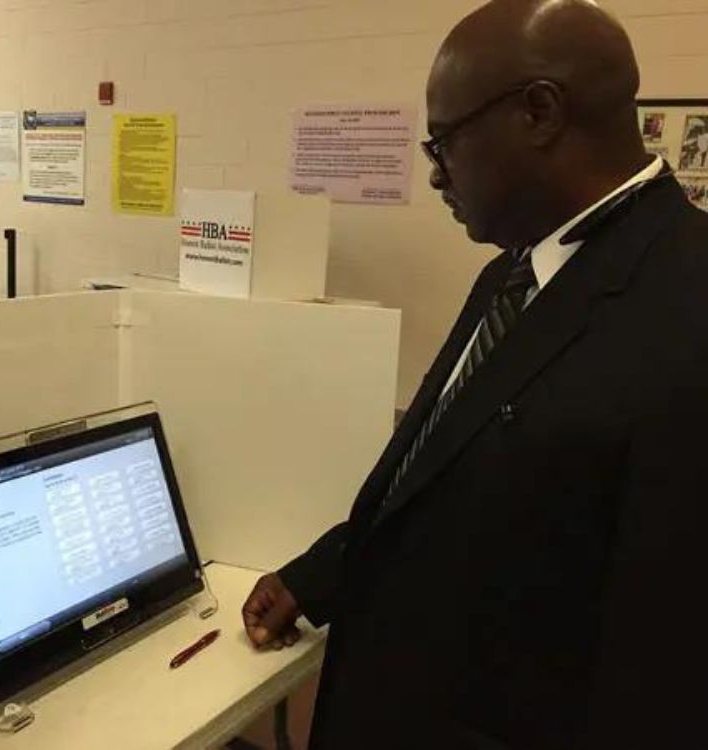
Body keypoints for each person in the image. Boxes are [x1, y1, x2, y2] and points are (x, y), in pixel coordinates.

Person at [242, 1, 708, 747]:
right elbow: (442, 476)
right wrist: (321, 573)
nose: (435, 175)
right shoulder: (510, 274)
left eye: (444, 143)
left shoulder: (687, 304)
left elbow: (666, 664)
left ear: (539, 112)